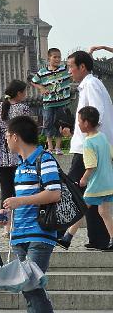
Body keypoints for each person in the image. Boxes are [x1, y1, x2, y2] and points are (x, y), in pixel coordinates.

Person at [3, 115, 61, 313]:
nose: (6, 139)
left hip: (39, 233)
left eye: (7, 135)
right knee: (30, 289)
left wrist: (20, 201)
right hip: (20, 235)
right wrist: (8, 212)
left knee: (32, 287)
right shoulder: (20, 166)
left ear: (16, 137)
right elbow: (24, 200)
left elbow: (54, 193)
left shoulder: (44, 159)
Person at [67, 51, 113, 249]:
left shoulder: (92, 84)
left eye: (71, 67)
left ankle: (62, 231)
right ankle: (98, 238)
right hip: (87, 145)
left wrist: (91, 141)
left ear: (82, 67)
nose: (69, 71)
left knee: (72, 188)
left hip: (87, 147)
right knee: (90, 194)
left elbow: (97, 114)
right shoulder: (89, 84)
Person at [58, 106, 113, 251]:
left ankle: (67, 239)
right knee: (104, 212)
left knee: (81, 209)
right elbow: (110, 154)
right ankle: (112, 239)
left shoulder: (88, 142)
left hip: (95, 185)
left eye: (79, 121)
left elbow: (91, 166)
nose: (78, 124)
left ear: (86, 123)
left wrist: (83, 180)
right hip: (107, 182)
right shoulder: (102, 137)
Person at [0, 80, 31, 234]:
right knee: (20, 191)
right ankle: (18, 224)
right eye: (24, 91)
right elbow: (27, 130)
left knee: (6, 191)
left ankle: (6, 227)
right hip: (18, 156)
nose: (26, 94)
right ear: (19, 93)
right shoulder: (23, 108)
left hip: (1, 156)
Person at [32, 47, 71, 154]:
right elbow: (32, 81)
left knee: (60, 124)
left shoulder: (64, 69)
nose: (57, 59)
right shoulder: (43, 72)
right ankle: (50, 146)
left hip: (62, 103)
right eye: (55, 57)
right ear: (49, 58)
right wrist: (41, 88)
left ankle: (58, 147)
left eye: (59, 57)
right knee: (48, 123)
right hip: (48, 103)